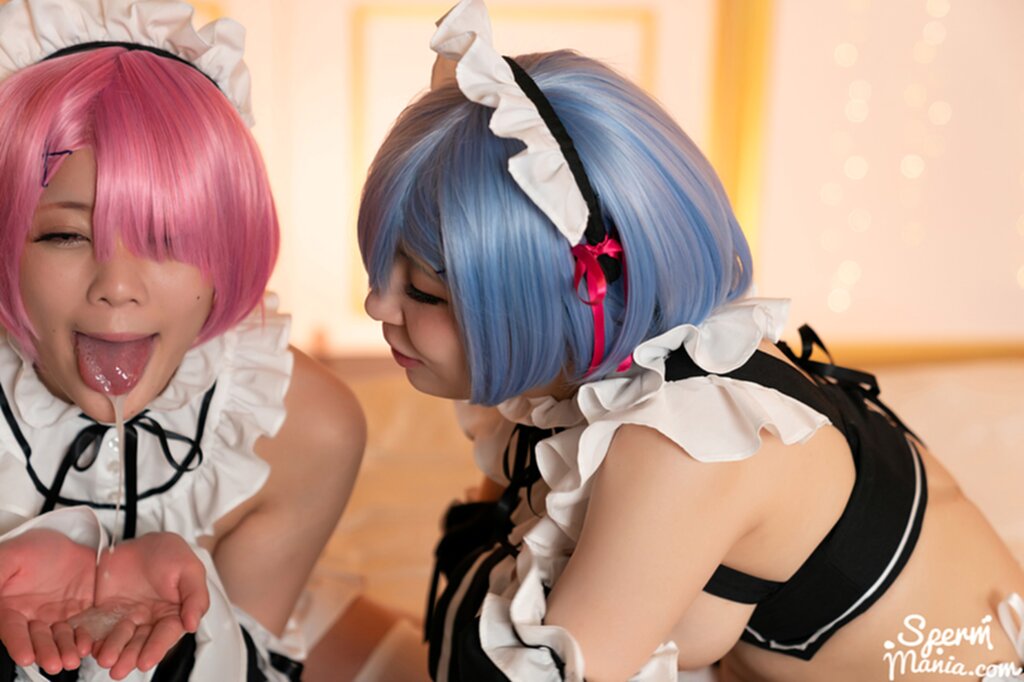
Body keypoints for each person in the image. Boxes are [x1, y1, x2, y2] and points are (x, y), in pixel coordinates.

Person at [358, 1, 1024, 680]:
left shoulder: (682, 440)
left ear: (562, 297)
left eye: (425, 292)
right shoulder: (582, 390)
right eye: (382, 272)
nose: (376, 305)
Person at [0, 0, 365, 679]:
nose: (117, 286)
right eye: (66, 234)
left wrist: (203, 612)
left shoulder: (301, 429)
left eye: (165, 237)